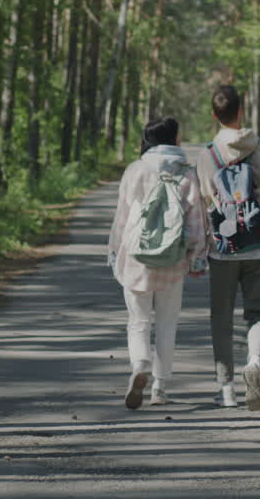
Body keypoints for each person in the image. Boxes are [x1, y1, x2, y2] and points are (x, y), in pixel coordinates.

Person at [107, 117, 210, 409]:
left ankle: (140, 365)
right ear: (175, 140)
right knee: (167, 323)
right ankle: (160, 389)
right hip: (172, 259)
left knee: (138, 321)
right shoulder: (187, 173)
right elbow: (196, 223)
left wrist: (114, 250)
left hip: (136, 257)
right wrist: (198, 257)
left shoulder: (135, 170)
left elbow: (122, 217)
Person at [196, 85, 260, 411]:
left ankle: (226, 391)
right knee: (258, 312)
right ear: (241, 111)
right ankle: (254, 363)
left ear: (214, 115)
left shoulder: (206, 155)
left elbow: (201, 207)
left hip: (221, 250)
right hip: (259, 246)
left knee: (221, 317)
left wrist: (197, 251)